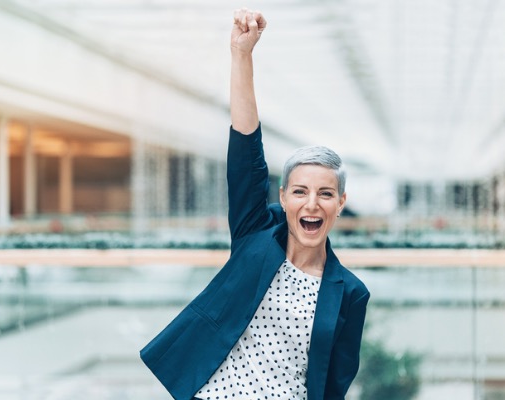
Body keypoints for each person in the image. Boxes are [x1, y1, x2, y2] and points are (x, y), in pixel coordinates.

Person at [140, 8, 369, 400]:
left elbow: (334, 384)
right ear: (283, 197)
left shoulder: (350, 292)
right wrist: (242, 55)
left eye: (325, 194)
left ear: (340, 203)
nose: (311, 204)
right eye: (299, 191)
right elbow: (246, 149)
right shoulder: (256, 236)